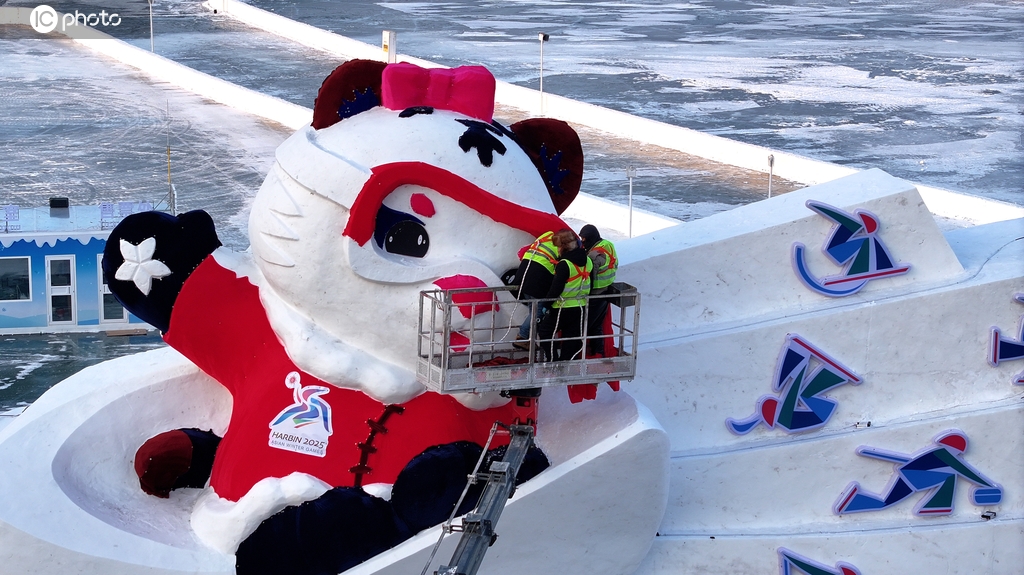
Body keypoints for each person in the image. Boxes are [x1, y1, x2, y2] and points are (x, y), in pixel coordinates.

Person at [536, 229, 592, 362]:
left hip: (562, 307)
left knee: (545, 332)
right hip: (581, 306)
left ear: (563, 247)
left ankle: (553, 360)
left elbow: (556, 288)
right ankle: (566, 363)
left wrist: (546, 304)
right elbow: (591, 283)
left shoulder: (564, 264)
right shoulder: (588, 261)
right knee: (571, 337)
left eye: (558, 246)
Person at [514, 230, 559, 348]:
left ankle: (529, 339)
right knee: (537, 312)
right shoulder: (560, 246)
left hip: (523, 278)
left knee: (532, 311)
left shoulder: (545, 239)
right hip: (537, 281)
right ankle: (522, 337)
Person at [580, 224, 617, 355]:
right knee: (596, 326)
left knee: (586, 325)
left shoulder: (595, 255)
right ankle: (598, 353)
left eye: (584, 240)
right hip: (606, 290)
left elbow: (590, 277)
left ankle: (582, 354)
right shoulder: (607, 244)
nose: (583, 243)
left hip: (595, 293)